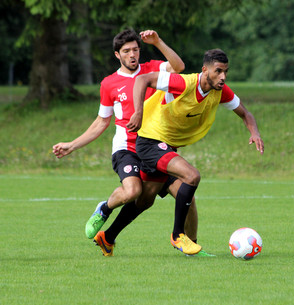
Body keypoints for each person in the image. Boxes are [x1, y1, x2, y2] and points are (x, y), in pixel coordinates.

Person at [52, 29, 210, 256]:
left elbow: (178, 67)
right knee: (133, 192)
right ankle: (104, 208)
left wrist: (158, 42)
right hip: (128, 149)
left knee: (186, 194)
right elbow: (101, 122)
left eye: (135, 49)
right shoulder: (109, 84)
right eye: (126, 51)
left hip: (156, 147)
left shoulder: (153, 69)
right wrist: (72, 145)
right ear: (118, 55)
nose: (132, 55)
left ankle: (192, 246)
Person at [94, 48, 264, 256]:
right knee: (191, 176)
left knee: (146, 200)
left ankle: (107, 237)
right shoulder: (183, 83)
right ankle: (178, 236)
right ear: (205, 70)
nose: (223, 77)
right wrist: (138, 112)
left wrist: (254, 132)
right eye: (218, 71)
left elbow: (245, 113)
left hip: (165, 143)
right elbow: (143, 80)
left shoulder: (221, 91)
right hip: (149, 140)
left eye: (226, 72)